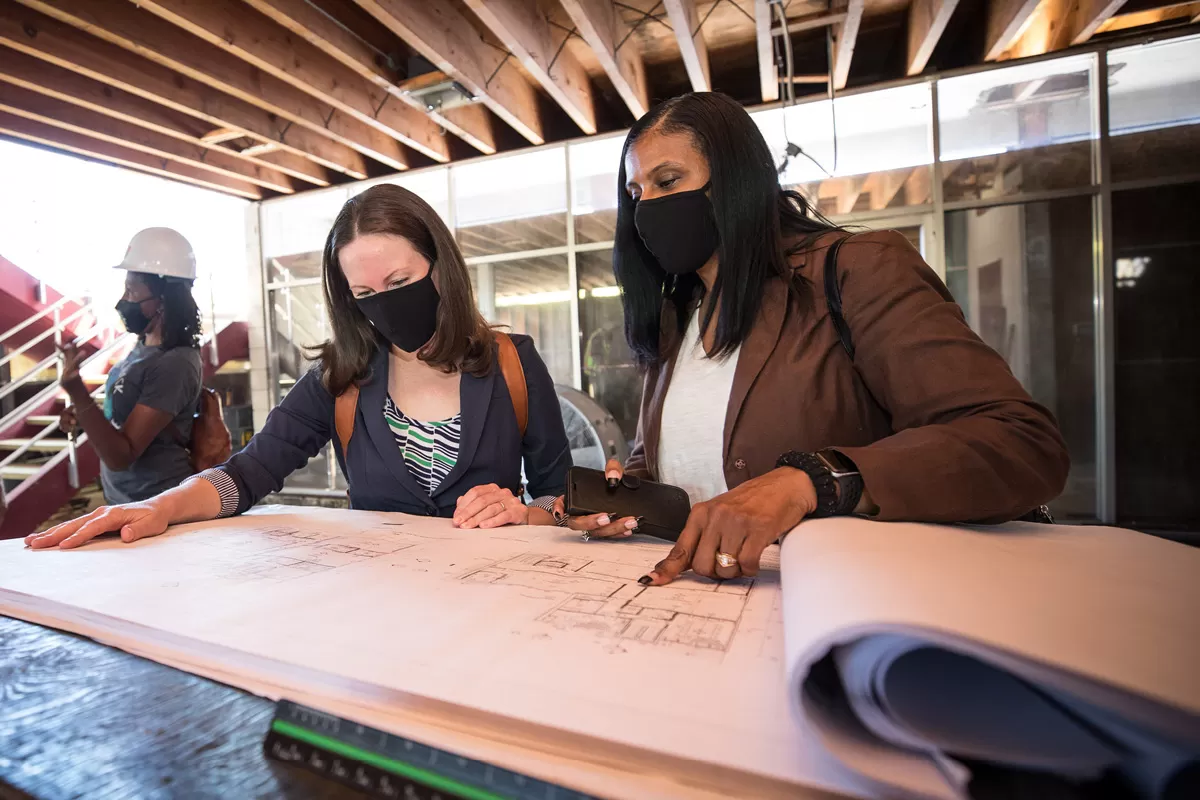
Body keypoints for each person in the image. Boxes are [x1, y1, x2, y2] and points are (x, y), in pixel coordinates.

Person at [561, 92, 1070, 586]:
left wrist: (815, 480)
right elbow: (662, 461)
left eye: (668, 181)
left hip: (852, 604)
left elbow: (1020, 442)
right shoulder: (676, 319)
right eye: (635, 195)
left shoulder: (857, 269)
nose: (647, 208)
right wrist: (623, 501)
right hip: (709, 614)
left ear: (734, 179)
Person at [29, 186, 571, 550]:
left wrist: (528, 513)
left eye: (400, 283)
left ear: (441, 267)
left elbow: (562, 496)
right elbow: (244, 476)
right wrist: (161, 507)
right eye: (364, 293)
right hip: (386, 610)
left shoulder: (511, 363)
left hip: (496, 610)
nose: (384, 305)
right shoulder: (340, 377)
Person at [57, 228, 204, 505]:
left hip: (160, 508)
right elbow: (119, 423)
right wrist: (83, 415)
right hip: (125, 501)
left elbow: (120, 455)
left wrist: (77, 391)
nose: (122, 300)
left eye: (132, 290)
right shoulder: (141, 347)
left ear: (163, 298)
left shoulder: (176, 363)